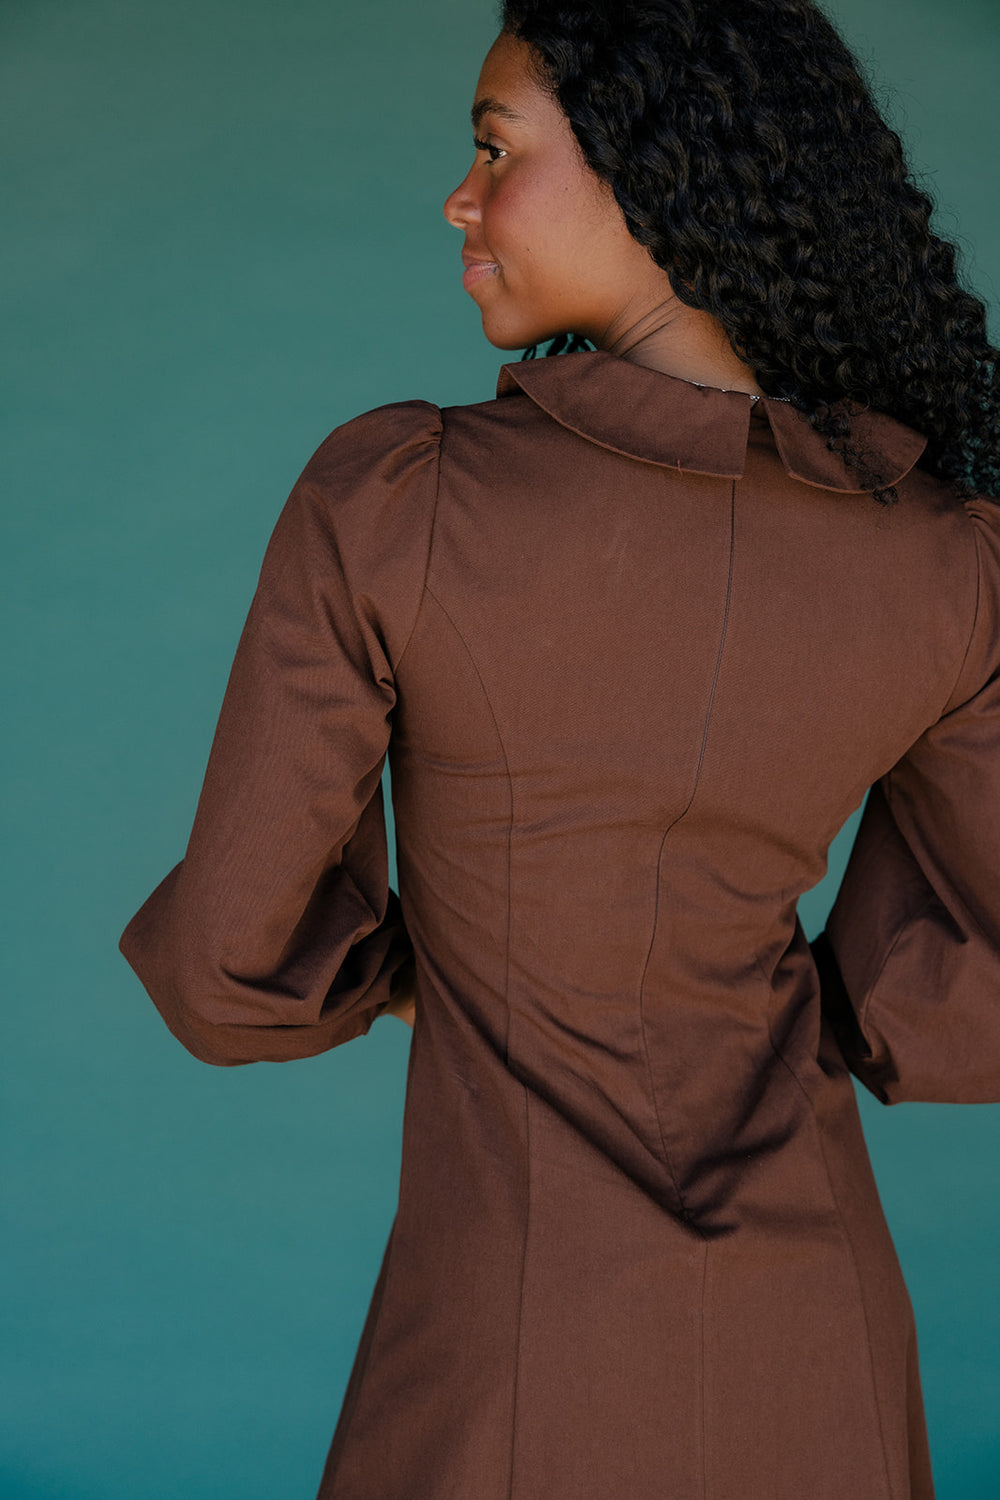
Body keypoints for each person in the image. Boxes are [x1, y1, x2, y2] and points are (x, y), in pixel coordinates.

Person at [118, 1, 1000, 1496]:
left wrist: (445, 971)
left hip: (512, 1348)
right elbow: (960, 995)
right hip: (822, 1354)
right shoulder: (946, 565)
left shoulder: (401, 502)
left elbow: (226, 966)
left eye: (492, 147)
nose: (457, 198)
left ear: (656, 174)